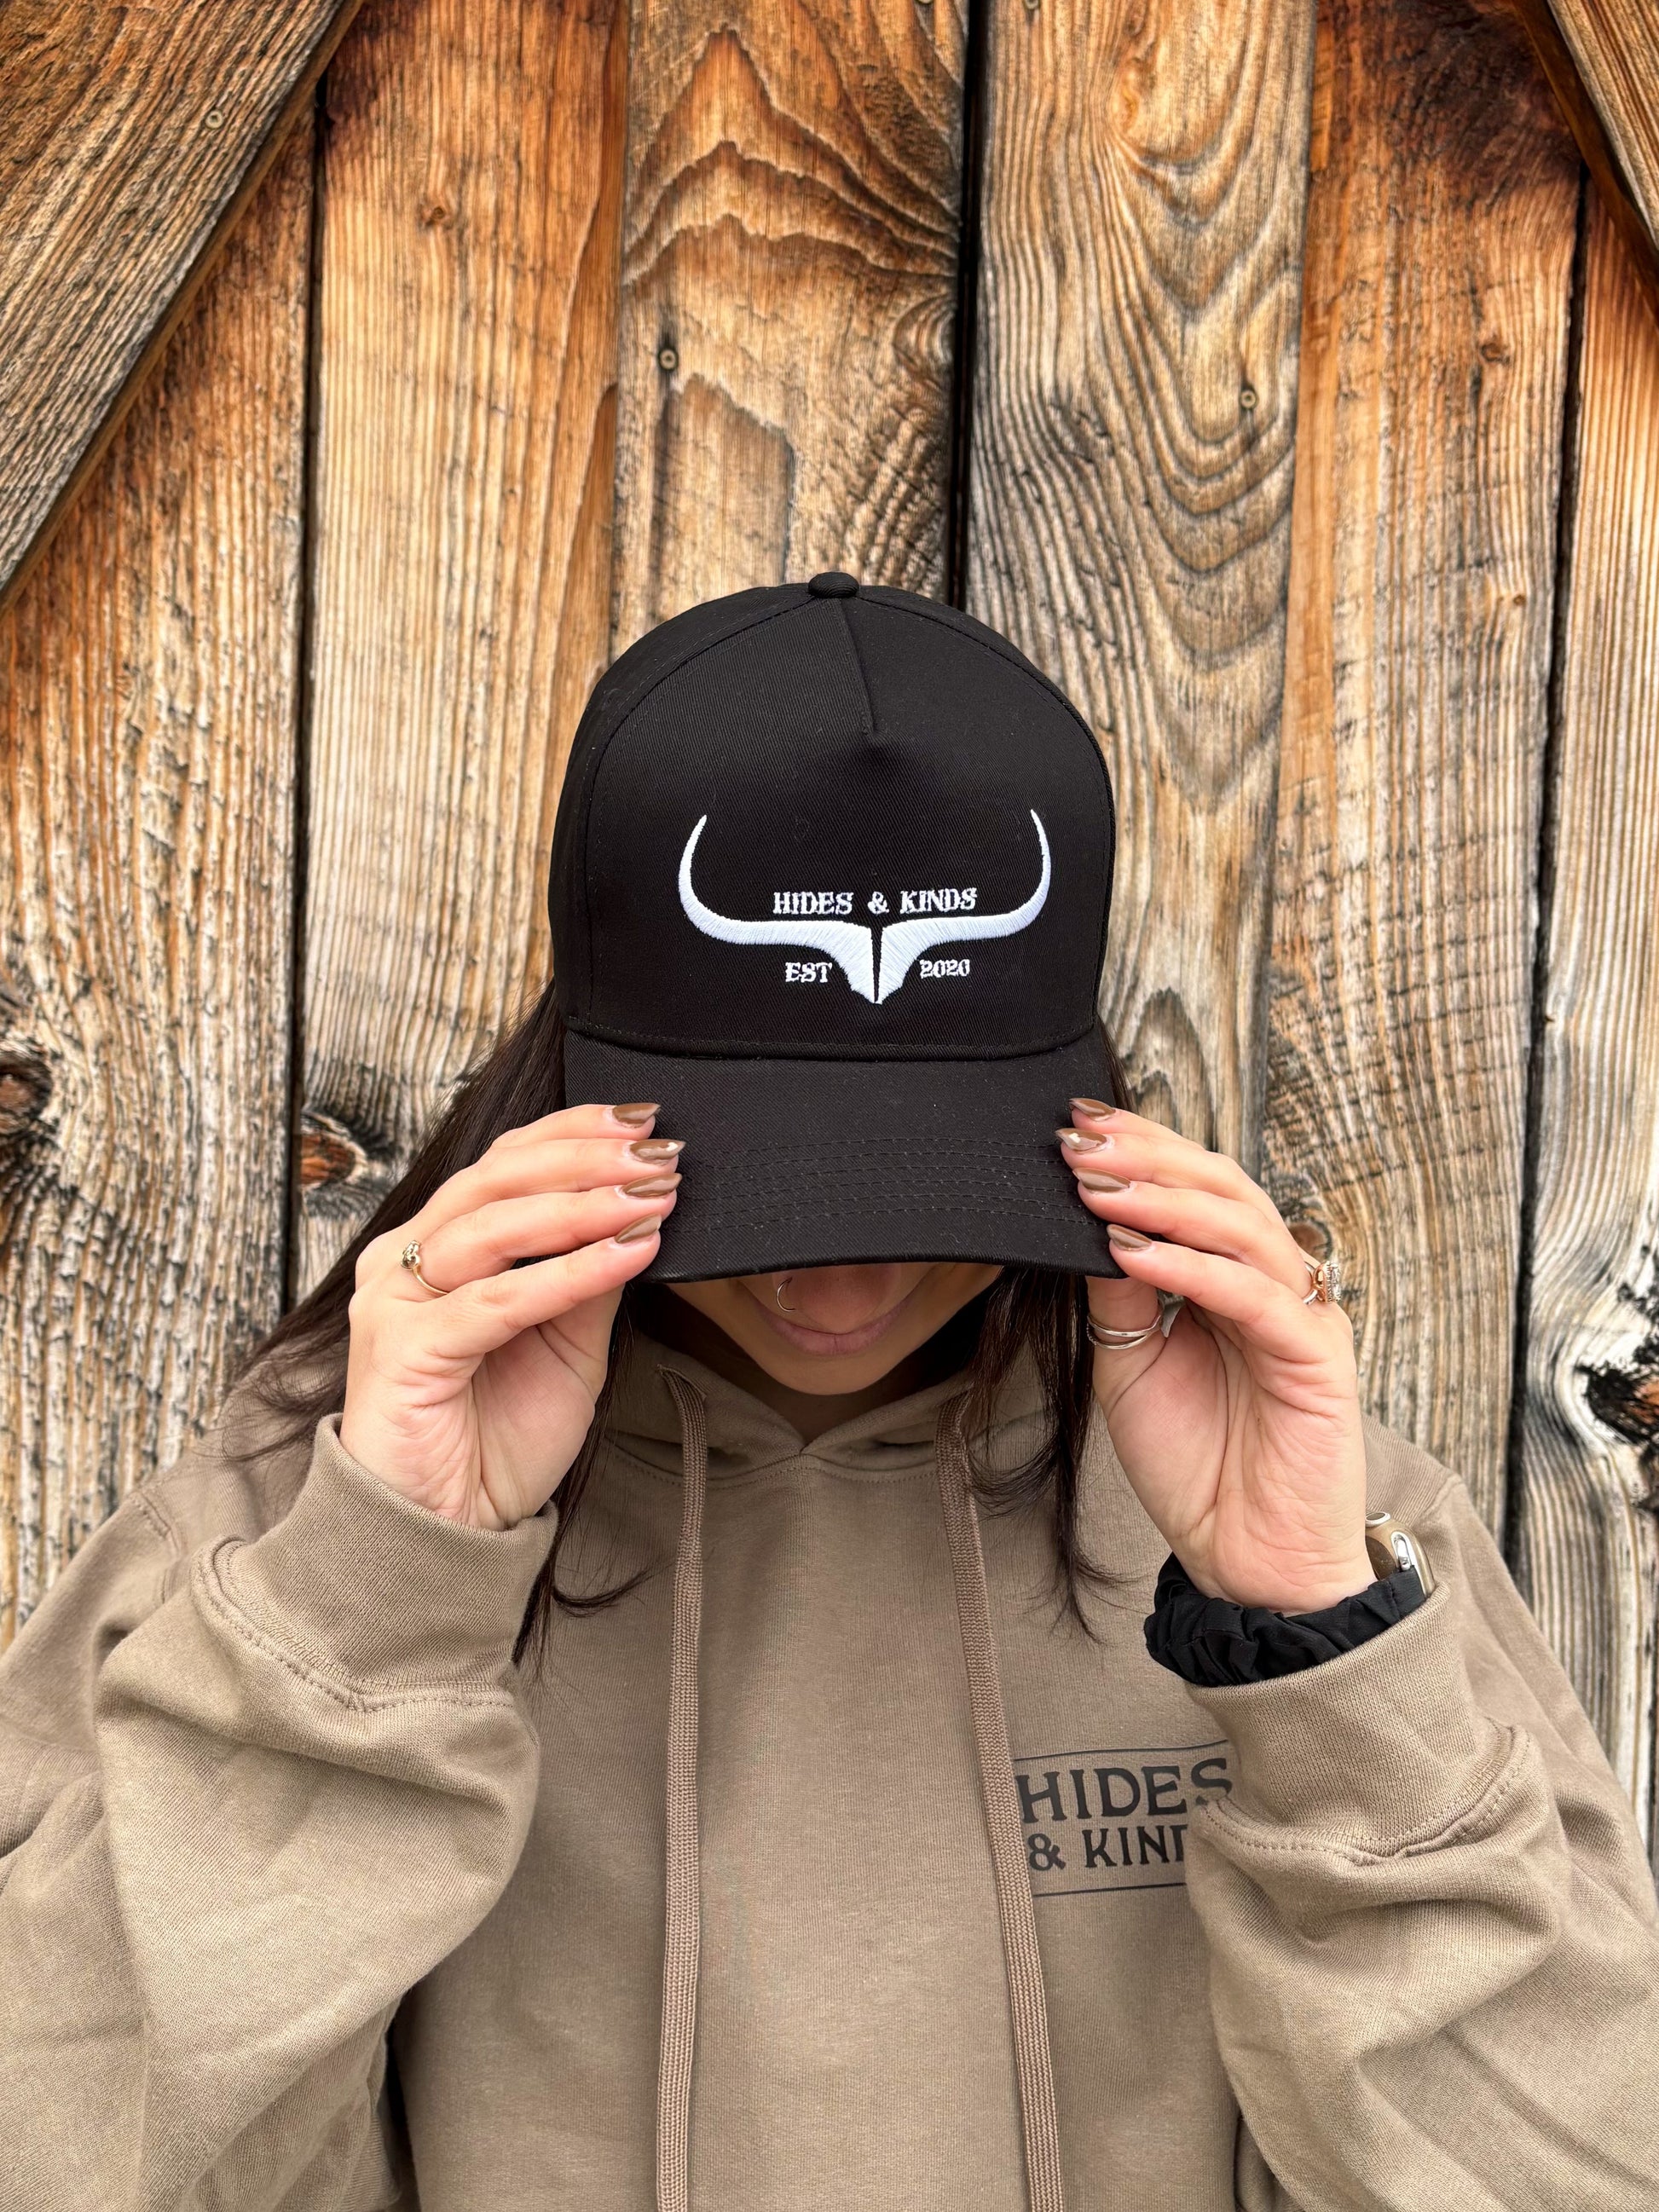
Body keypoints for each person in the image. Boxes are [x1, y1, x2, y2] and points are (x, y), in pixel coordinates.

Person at [2, 575, 1656, 2212]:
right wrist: (378, 1594)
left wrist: (1312, 1650)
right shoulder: (311, 1516)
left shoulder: (1325, 1542)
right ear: (581, 1090)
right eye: (764, 1188)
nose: (838, 1284)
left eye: (918, 1191)